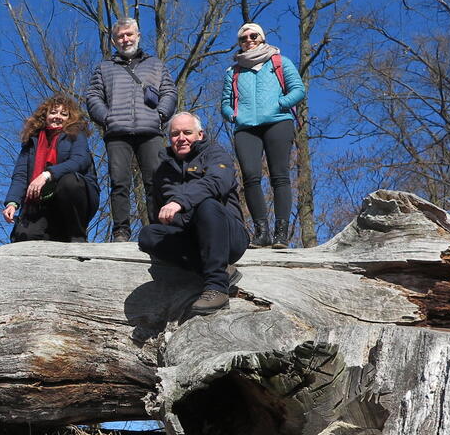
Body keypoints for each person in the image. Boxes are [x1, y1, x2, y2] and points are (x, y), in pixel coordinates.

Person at [138, 112, 249, 316]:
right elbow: (159, 213)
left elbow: (218, 181)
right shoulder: (161, 169)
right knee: (148, 235)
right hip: (190, 239)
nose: (181, 138)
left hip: (227, 235)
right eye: (175, 133)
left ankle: (217, 287)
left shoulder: (215, 153)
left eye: (187, 132)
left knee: (207, 205)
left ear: (200, 134)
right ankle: (221, 271)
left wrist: (180, 202)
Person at [86, 17, 177, 242]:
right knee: (119, 182)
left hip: (150, 131)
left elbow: (170, 92)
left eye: (129, 34)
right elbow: (93, 96)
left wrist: (160, 115)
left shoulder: (155, 64)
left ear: (138, 36)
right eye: (120, 36)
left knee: (155, 181)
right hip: (117, 132)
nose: (125, 39)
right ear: (114, 41)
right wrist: (107, 118)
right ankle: (121, 231)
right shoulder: (104, 67)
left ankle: (158, 228)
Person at [219, 22, 306, 248]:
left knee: (279, 175)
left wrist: (280, 104)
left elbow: (298, 89)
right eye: (243, 38)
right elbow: (225, 102)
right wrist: (233, 115)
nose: (249, 40)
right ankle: (261, 232)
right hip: (246, 127)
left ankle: (281, 233)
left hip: (278, 122)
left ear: (262, 38)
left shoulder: (279, 62)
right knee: (250, 176)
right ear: (239, 43)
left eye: (253, 35)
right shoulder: (234, 71)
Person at [3, 94, 100, 243]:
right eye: (53, 112)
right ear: (45, 115)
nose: (57, 117)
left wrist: (47, 174)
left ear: (70, 118)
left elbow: (80, 160)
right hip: (41, 202)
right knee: (22, 237)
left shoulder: (76, 134)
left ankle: (77, 237)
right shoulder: (31, 142)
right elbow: (21, 175)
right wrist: (12, 202)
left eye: (64, 114)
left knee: (69, 181)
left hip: (73, 199)